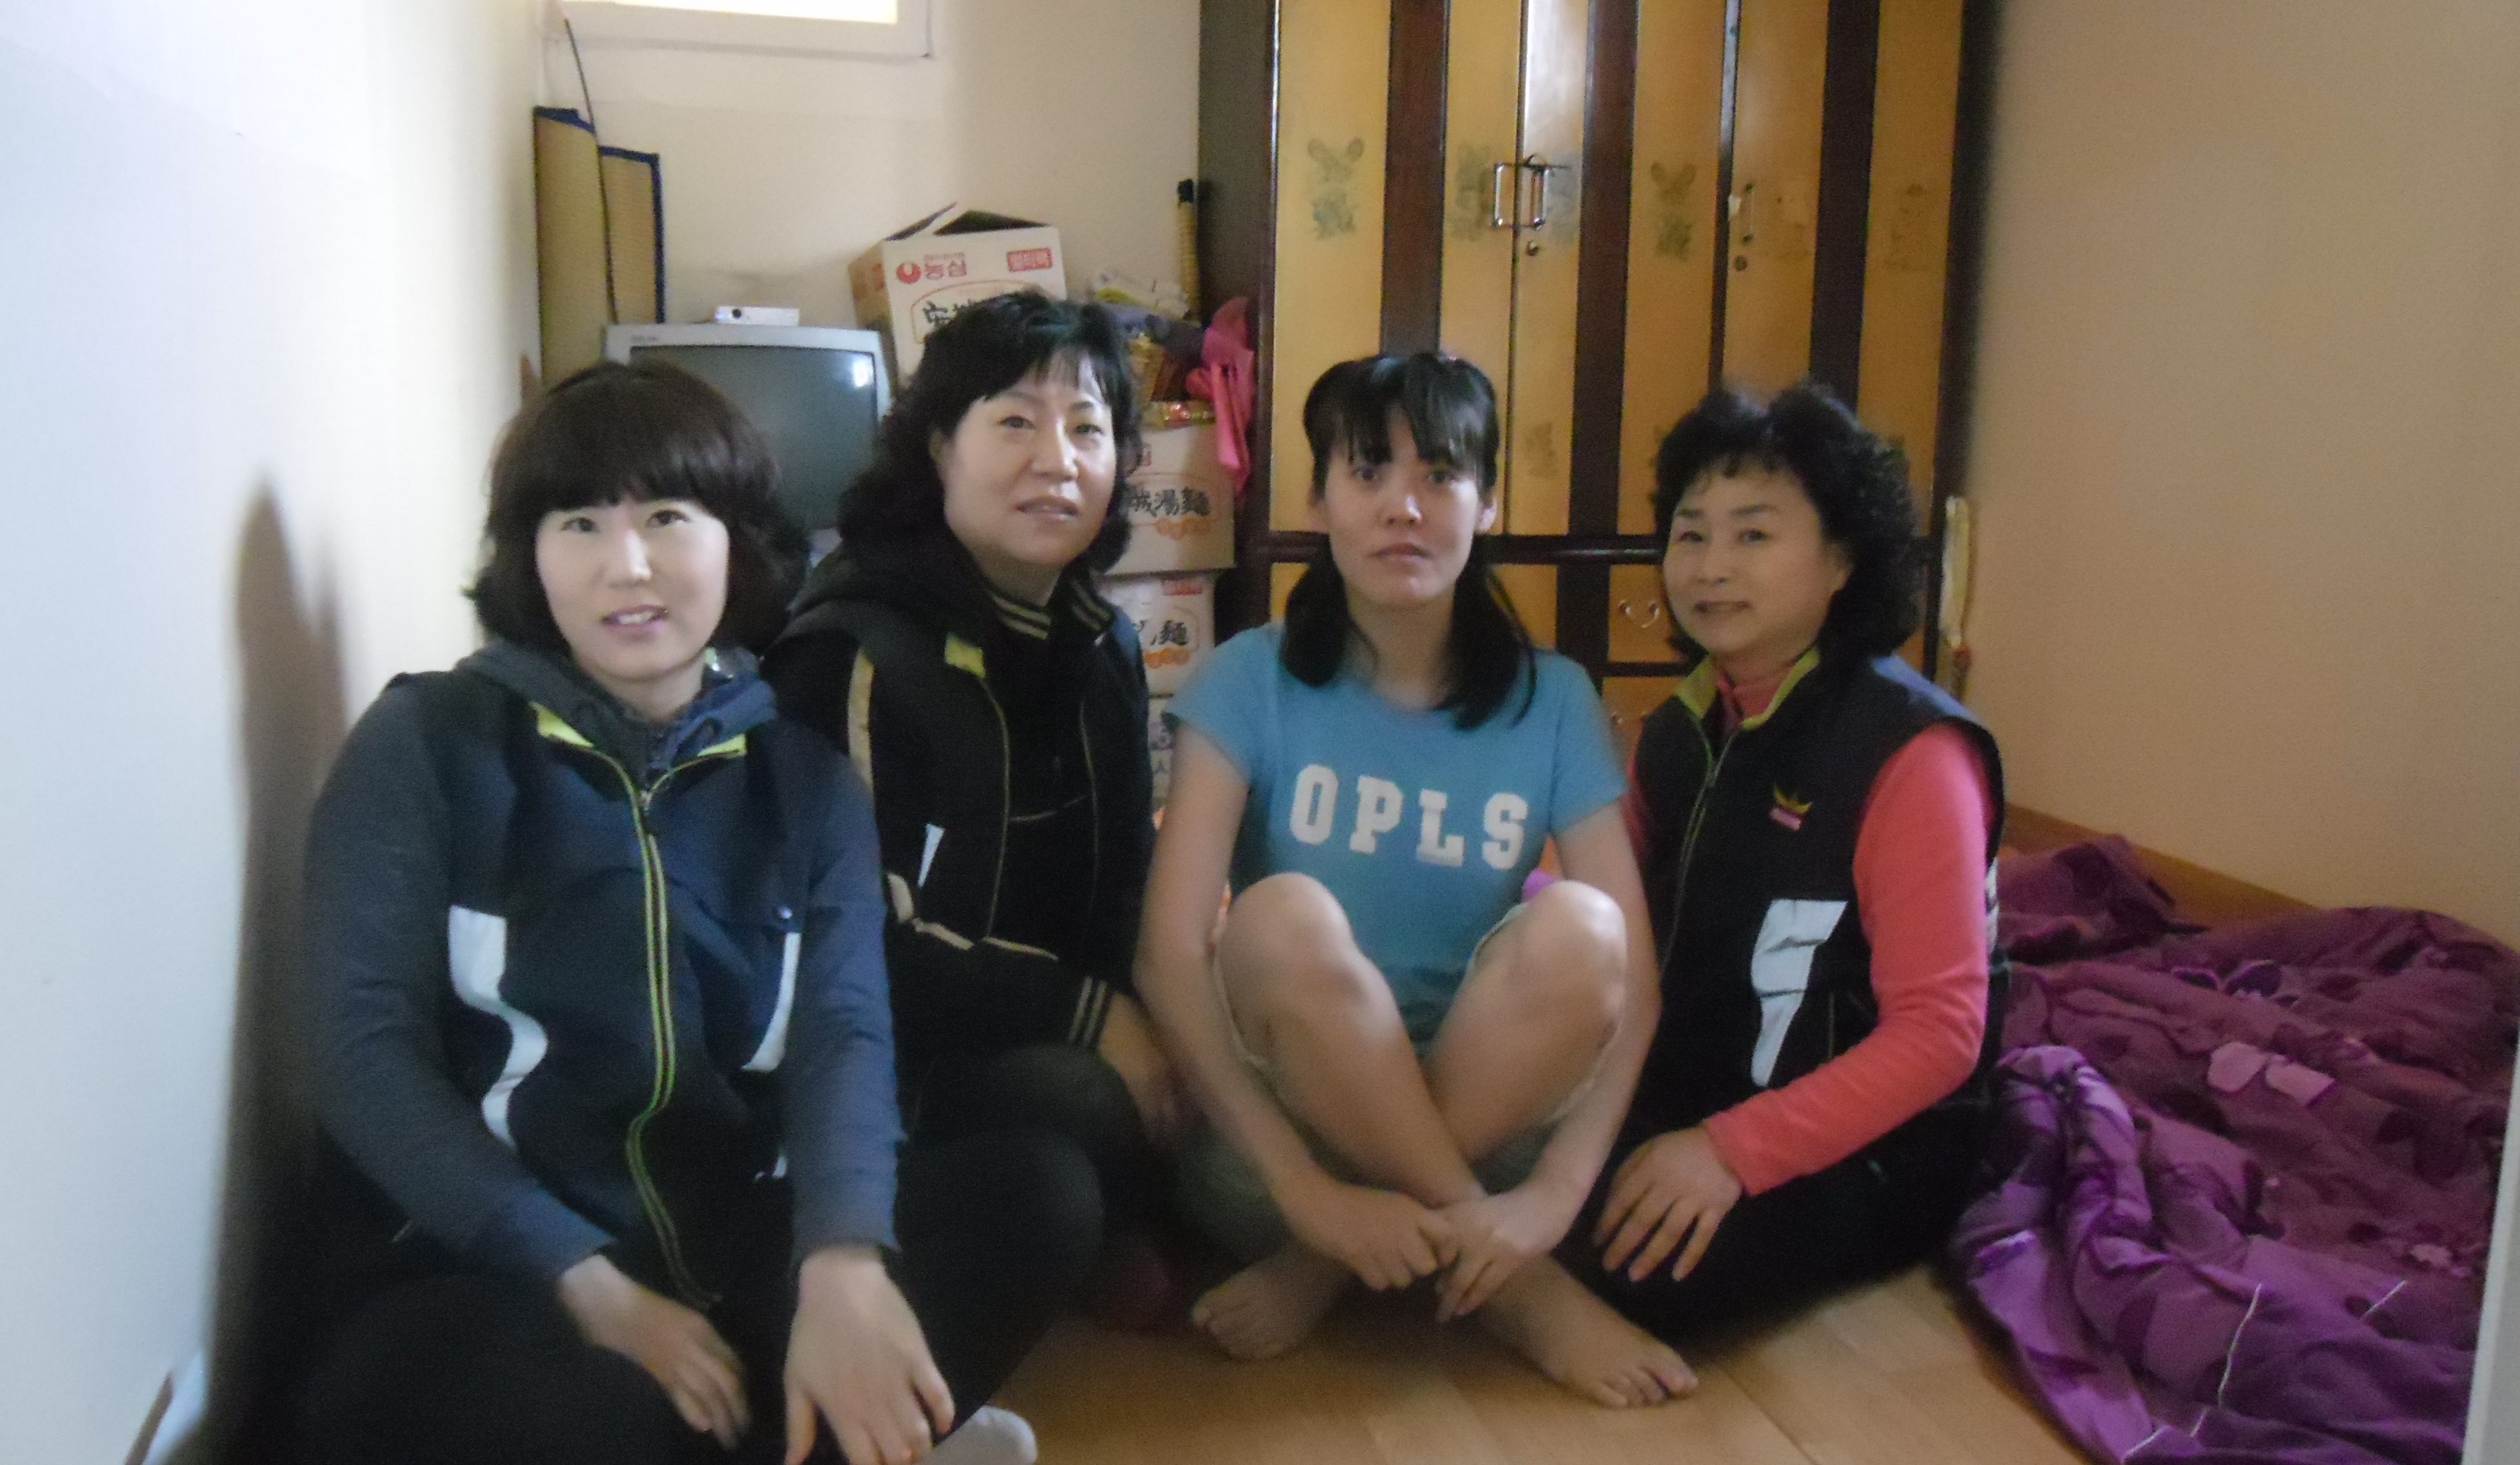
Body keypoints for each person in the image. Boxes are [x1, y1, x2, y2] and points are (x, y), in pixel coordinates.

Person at [295, 361, 1084, 1465]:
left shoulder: (804, 784)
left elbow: (843, 1036)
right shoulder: (425, 745)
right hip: (482, 1270)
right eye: (579, 523)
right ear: (530, 555)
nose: (628, 566)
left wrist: (842, 1262)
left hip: (723, 1244)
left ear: (735, 543)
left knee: (1040, 1194)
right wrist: (583, 1279)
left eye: (667, 516)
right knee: (587, 1418)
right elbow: (360, 1052)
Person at [1139, 352, 1698, 1407]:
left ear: (1489, 504)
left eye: (1441, 475)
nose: (1405, 506)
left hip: (1497, 1137)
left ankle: (1333, 1269)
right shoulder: (1247, 679)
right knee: (1281, 917)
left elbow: (1636, 981)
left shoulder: (1553, 699)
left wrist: (1559, 1191)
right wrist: (1304, 1196)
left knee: (1585, 929)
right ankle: (1518, 1294)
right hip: (1276, 1150)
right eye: (1368, 471)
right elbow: (1169, 957)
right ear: (1318, 500)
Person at [765, 292, 1181, 1325]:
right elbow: (848, 949)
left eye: (1087, 428)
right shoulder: (853, 651)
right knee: (1087, 1106)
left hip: (1054, 1019)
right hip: (890, 1060)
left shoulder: (1101, 642)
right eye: (1015, 422)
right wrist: (1090, 1017)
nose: (1058, 460)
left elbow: (1128, 877)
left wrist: (1167, 1015)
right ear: (938, 448)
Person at [1576, 382, 2006, 1338]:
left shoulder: (1912, 751)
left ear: (1843, 558)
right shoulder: (1679, 729)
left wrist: (1730, 1151)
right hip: (1696, 1079)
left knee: (1643, 1268)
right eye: (1691, 534)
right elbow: (1604, 913)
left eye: (1754, 534)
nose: (1712, 568)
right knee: (1492, 1151)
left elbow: (1941, 1033)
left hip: (1871, 1138)